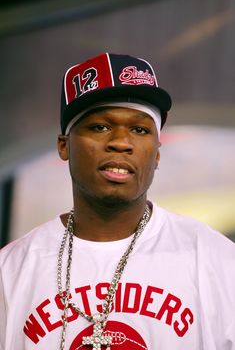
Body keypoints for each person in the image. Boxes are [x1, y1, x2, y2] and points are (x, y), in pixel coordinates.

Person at [0, 53, 234, 350]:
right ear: (64, 146)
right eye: (100, 127)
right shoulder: (10, 271)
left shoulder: (217, 260)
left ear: (157, 153)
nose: (121, 142)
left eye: (140, 129)